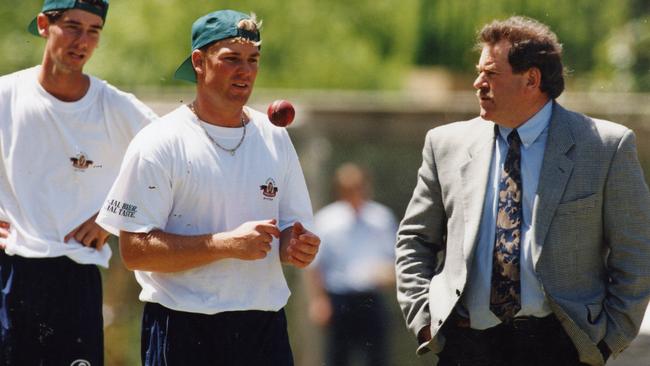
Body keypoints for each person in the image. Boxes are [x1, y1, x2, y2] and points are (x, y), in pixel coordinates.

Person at [395, 16, 650, 366]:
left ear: (532, 79)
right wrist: (424, 321)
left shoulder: (605, 147)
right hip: (465, 345)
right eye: (478, 72)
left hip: (563, 346)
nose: (477, 83)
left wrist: (608, 341)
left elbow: (635, 252)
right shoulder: (444, 144)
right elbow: (414, 240)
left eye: (491, 74)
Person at [95, 9, 320, 366]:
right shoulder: (160, 142)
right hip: (183, 327)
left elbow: (289, 232)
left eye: (253, 59)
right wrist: (224, 245)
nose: (245, 71)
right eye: (231, 59)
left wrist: (295, 246)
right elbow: (135, 251)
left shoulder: (275, 137)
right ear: (199, 61)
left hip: (263, 327)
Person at [0, 0, 157, 365]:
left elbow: (174, 165)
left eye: (93, 31)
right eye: (72, 26)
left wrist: (113, 216)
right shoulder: (6, 95)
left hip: (77, 276)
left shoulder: (117, 107)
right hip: (9, 270)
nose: (82, 40)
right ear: (43, 24)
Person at [307, 162, 396, 366]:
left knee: (377, 358)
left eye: (358, 186)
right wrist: (319, 300)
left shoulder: (381, 218)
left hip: (371, 297)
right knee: (338, 358)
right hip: (340, 299)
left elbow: (394, 256)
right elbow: (316, 265)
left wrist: (389, 273)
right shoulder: (326, 220)